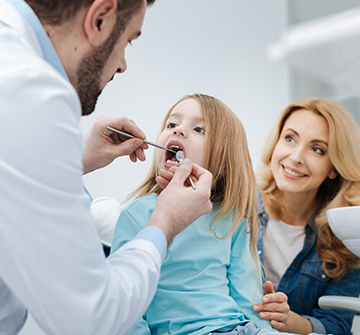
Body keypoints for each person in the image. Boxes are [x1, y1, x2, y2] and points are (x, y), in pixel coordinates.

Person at [0, 1, 213, 334]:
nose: (123, 65)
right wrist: (165, 221)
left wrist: (77, 159)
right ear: (99, 17)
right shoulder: (31, 91)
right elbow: (90, 318)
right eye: (128, 40)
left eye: (200, 129)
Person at [111, 93, 320, 335]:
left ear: (222, 158)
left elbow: (248, 301)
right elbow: (126, 309)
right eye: (172, 124)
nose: (178, 131)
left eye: (199, 129)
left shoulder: (232, 218)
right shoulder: (135, 216)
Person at [252, 98, 360, 335]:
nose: (296, 157)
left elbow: (337, 326)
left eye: (317, 149)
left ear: (334, 167)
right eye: (290, 138)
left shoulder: (346, 238)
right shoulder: (239, 209)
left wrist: (288, 320)